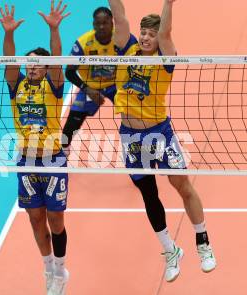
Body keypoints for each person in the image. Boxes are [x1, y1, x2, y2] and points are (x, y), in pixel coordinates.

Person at [107, 0, 216, 282]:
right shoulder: (126, 49)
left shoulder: (165, 59)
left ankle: (203, 243)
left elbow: (167, 33)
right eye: (143, 32)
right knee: (148, 193)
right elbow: (119, 17)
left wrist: (168, 2)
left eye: (150, 34)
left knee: (182, 185)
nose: (145, 37)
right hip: (130, 136)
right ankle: (170, 250)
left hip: (159, 133)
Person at [0, 1, 70, 294]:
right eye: (29, 62)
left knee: (55, 220)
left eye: (37, 61)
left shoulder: (54, 85)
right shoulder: (17, 86)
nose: (32, 65)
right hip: (26, 161)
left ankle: (61, 270)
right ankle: (48, 268)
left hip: (53, 160)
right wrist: (9, 35)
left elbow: (57, 60)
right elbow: (9, 62)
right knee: (35, 218)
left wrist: (54, 29)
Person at [62, 6, 138, 151]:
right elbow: (69, 73)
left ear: (112, 23)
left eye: (105, 22)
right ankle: (63, 151)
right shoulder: (83, 44)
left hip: (116, 85)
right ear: (93, 24)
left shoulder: (122, 40)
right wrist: (88, 89)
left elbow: (137, 63)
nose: (102, 26)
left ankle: (138, 144)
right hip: (90, 86)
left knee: (134, 113)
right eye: (98, 23)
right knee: (72, 123)